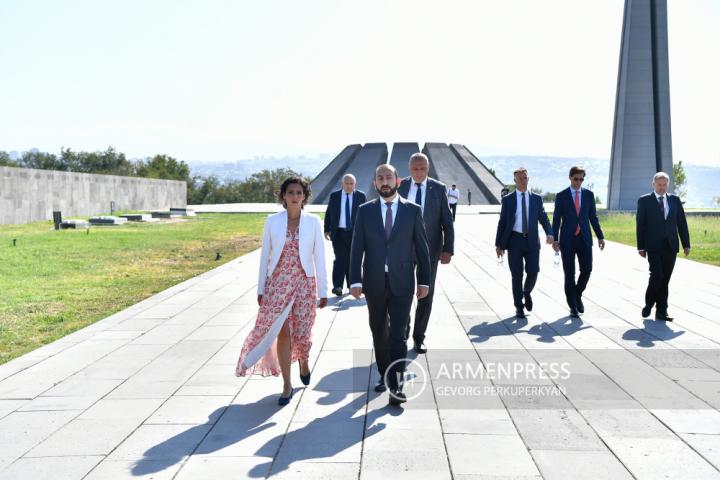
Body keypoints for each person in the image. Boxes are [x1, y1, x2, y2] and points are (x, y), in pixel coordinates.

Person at [236, 177, 328, 405]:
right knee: (283, 332)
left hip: (305, 284)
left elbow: (320, 258)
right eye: (290, 193)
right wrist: (261, 288)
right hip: (278, 284)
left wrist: (323, 291)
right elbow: (265, 255)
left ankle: (304, 361)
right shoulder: (272, 222)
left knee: (302, 332)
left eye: (298, 193)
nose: (295, 197)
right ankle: (287, 384)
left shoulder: (314, 222)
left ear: (304, 196)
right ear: (284, 196)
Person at [350, 164, 431, 406]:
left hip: (403, 280)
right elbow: (356, 249)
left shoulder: (412, 210)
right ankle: (385, 374)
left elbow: (423, 248)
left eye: (389, 177)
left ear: (398, 181)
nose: (384, 181)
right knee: (378, 331)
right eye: (380, 178)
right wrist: (354, 280)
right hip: (374, 281)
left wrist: (425, 280)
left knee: (398, 333)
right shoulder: (364, 211)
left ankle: (396, 385)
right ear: (375, 183)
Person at [398, 153, 454, 354]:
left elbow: (447, 221)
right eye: (415, 169)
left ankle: (419, 338)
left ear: (428, 169)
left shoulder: (438, 189)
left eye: (422, 168)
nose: (419, 172)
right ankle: (402, 334)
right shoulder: (400, 186)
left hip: (430, 250)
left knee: (425, 295)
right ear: (409, 168)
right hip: (403, 250)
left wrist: (448, 249)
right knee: (402, 294)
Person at [495, 168, 554, 319]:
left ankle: (526, 292)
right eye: (520, 178)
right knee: (517, 275)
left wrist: (550, 233)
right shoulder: (508, 200)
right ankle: (518, 307)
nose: (523, 180)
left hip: (532, 240)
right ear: (515, 181)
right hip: (514, 240)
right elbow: (502, 222)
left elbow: (543, 218)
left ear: (529, 179)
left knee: (533, 272)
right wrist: (499, 244)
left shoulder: (536, 199)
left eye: (525, 178)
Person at [552, 166, 606, 317]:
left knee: (587, 270)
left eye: (582, 179)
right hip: (567, 240)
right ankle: (573, 306)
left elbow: (593, 217)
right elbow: (556, 219)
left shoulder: (589, 195)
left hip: (584, 238)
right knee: (569, 274)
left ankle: (577, 294)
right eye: (576, 179)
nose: (579, 182)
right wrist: (555, 239)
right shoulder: (561, 196)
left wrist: (600, 236)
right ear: (570, 178)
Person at [636, 171, 691, 321]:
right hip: (652, 246)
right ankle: (649, 304)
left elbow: (681, 223)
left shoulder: (675, 200)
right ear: (653, 184)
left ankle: (662, 311)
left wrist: (686, 244)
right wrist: (640, 246)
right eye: (659, 184)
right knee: (657, 275)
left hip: (671, 245)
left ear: (668, 185)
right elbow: (640, 225)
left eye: (664, 184)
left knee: (665, 279)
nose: (662, 187)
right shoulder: (644, 200)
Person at [323, 174, 367, 296]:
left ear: (355, 184)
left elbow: (366, 215)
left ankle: (352, 284)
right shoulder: (335, 196)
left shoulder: (361, 196)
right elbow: (329, 213)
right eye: (347, 183)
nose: (349, 186)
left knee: (354, 259)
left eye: (351, 184)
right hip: (339, 233)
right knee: (341, 259)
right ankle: (337, 286)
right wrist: (326, 229)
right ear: (342, 184)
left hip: (355, 233)